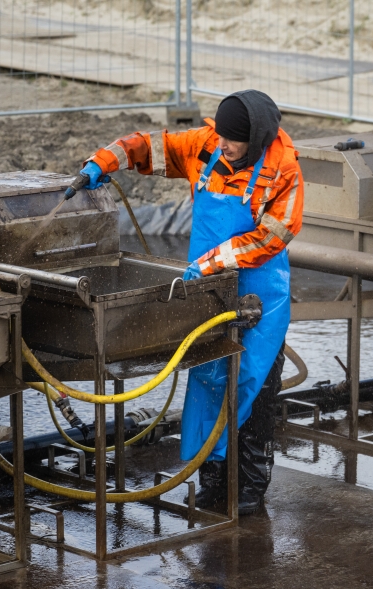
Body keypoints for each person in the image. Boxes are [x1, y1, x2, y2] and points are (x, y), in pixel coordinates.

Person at [79, 90, 303, 514]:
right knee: (208, 379)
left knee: (251, 389)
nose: (223, 145)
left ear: (254, 140)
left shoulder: (283, 169)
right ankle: (212, 482)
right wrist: (103, 162)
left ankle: (248, 491)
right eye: (220, 136)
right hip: (208, 291)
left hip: (259, 293)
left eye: (232, 141)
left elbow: (275, 235)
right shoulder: (204, 145)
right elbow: (145, 146)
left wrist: (215, 260)